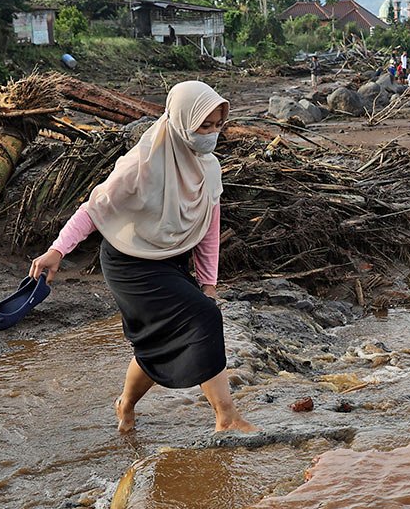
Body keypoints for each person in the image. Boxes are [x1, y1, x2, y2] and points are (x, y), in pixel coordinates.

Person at [29, 80, 258, 436]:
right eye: (204, 126)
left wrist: (209, 283)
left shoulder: (208, 168)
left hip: (171, 260)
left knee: (159, 341)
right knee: (204, 317)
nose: (212, 135)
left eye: (217, 126)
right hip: (129, 263)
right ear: (182, 122)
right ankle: (226, 416)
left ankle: (126, 403)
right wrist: (58, 250)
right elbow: (93, 209)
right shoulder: (141, 163)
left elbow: (210, 230)